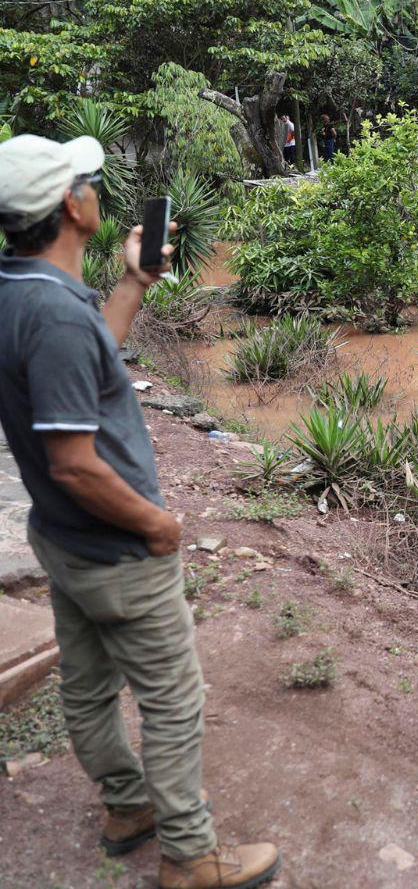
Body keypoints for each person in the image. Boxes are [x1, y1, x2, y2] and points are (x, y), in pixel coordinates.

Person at [0, 133, 280, 889]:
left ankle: (128, 809)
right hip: (115, 549)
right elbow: (73, 462)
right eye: (89, 179)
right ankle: (191, 858)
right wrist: (158, 524)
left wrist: (134, 284)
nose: (97, 188)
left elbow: (86, 374)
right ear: (70, 205)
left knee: (88, 684)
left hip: (62, 540)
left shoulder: (23, 293)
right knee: (173, 698)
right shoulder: (51, 315)